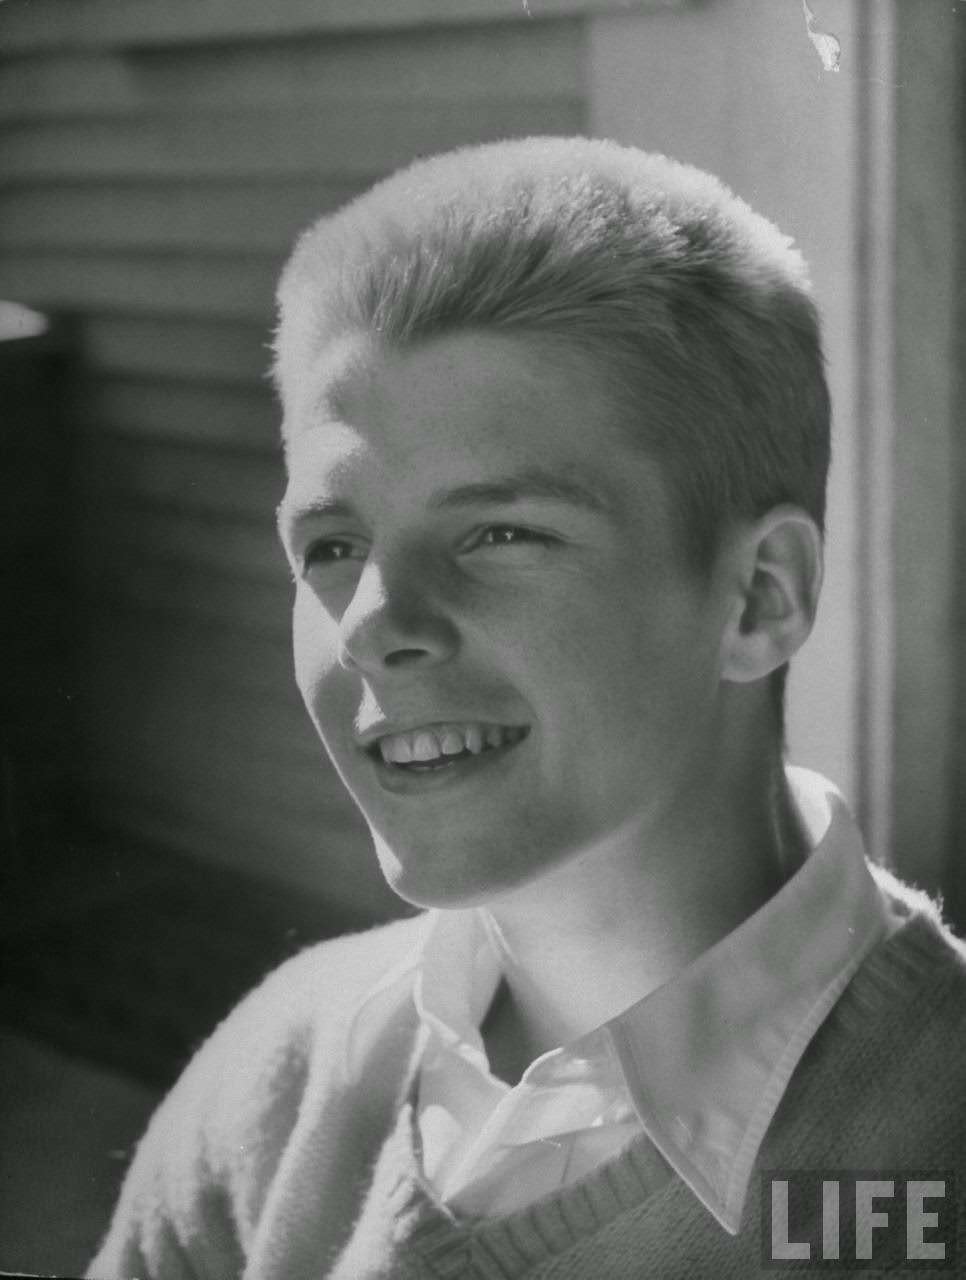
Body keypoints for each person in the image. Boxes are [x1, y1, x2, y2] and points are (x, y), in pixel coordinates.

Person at [89, 137, 966, 1279]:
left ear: (760, 596)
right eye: (334, 546)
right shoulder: (284, 1071)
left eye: (500, 533)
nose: (372, 623)